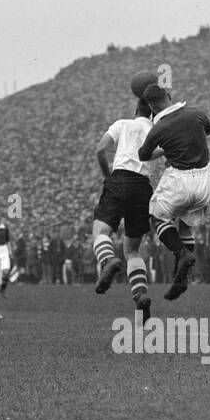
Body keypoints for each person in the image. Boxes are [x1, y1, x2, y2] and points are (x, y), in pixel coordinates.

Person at [137, 83, 210, 301]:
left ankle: (182, 254)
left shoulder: (159, 127)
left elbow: (143, 154)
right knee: (185, 226)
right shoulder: (196, 113)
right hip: (206, 179)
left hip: (180, 179)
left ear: (152, 107)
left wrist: (163, 148)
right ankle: (181, 278)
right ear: (169, 96)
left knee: (156, 216)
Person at [91, 87, 155, 317]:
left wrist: (108, 176)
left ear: (135, 109)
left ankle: (107, 261)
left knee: (101, 231)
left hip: (119, 179)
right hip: (142, 186)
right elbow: (166, 154)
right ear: (151, 114)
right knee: (133, 250)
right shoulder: (155, 130)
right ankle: (140, 296)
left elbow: (100, 149)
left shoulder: (122, 124)